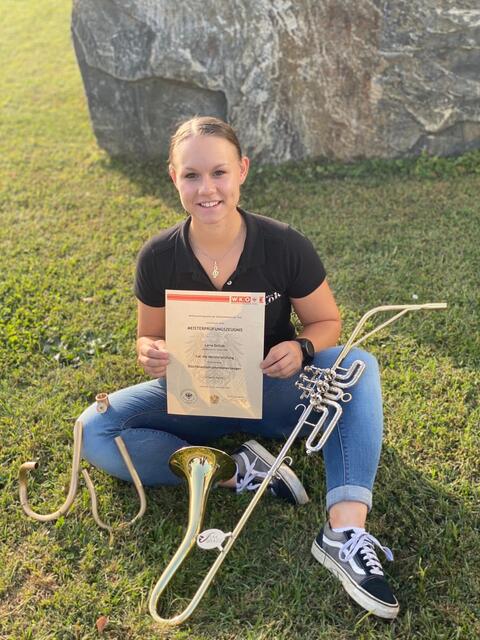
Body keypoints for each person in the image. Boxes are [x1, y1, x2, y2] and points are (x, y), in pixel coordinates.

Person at [79, 116, 399, 620]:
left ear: (242, 170)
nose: (207, 189)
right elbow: (148, 335)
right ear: (173, 177)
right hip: (197, 399)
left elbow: (327, 321)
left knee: (356, 365)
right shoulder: (157, 257)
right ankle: (241, 472)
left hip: (274, 391)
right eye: (191, 175)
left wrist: (302, 348)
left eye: (219, 172)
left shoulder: (283, 243)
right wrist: (149, 352)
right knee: (95, 428)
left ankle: (343, 531)